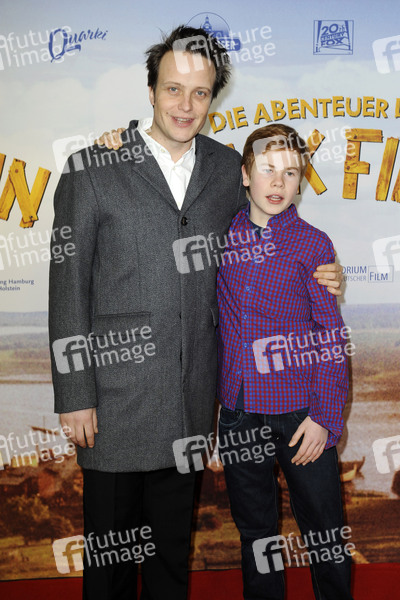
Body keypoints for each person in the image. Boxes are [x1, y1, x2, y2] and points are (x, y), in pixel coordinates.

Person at [48, 26, 343, 600]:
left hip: (189, 404)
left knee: (171, 560)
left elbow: (272, 229)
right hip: (112, 401)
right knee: (109, 562)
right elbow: (67, 289)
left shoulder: (228, 169)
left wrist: (325, 272)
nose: (185, 105)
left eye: (200, 92)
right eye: (173, 89)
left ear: (213, 97)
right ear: (151, 90)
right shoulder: (92, 169)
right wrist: (74, 392)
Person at [216, 123, 353, 600]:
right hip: (238, 411)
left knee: (325, 531)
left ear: (301, 182)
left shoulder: (314, 244)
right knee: (256, 534)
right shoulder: (221, 235)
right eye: (267, 169)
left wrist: (325, 417)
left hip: (301, 414)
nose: (278, 182)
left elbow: (331, 336)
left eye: (290, 172)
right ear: (245, 174)